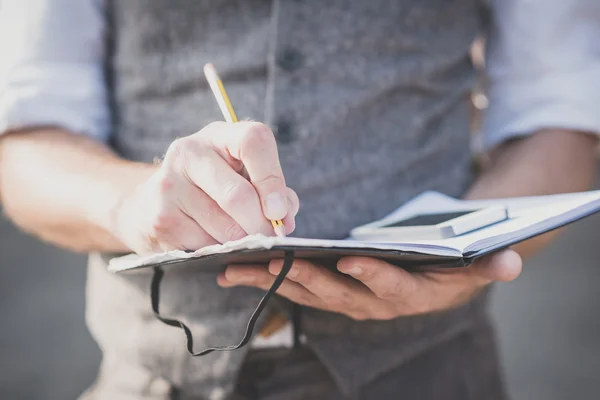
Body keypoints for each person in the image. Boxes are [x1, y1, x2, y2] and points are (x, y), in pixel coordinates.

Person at [0, 0, 599, 399]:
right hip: (152, 376)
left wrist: (466, 255)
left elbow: (562, 111)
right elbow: (26, 139)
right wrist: (132, 201)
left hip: (433, 371)